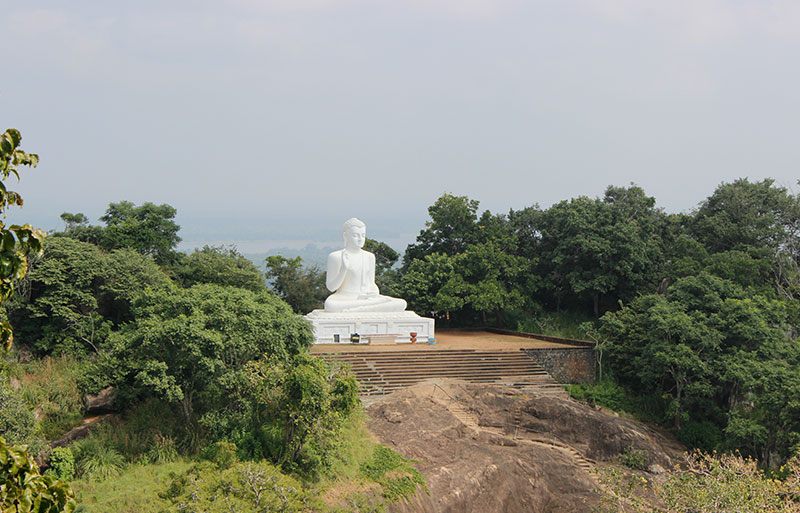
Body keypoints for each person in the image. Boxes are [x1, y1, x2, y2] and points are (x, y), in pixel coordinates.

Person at [324, 218, 407, 312]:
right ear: (345, 236)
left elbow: (371, 284)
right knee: (330, 305)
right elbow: (331, 287)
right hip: (344, 298)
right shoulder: (336, 256)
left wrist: (374, 293)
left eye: (363, 235)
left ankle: (361, 308)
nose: (360, 239)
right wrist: (344, 269)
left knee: (402, 303)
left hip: (366, 298)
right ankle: (367, 307)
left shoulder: (369, 257)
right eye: (355, 235)